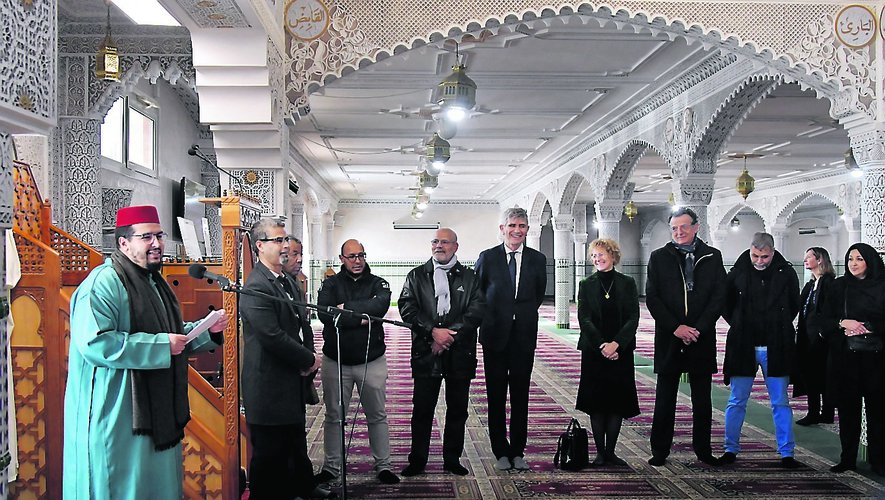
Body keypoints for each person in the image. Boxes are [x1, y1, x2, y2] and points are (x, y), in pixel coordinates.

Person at [63, 205, 228, 498]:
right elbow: (96, 344)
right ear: (123, 242)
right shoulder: (104, 283)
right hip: (116, 411)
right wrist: (162, 345)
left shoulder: (153, 281)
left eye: (159, 236)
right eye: (146, 237)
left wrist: (206, 331)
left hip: (156, 410)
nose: (156, 244)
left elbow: (169, 334)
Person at [239, 219, 332, 499]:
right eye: (277, 240)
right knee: (270, 455)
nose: (284, 246)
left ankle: (302, 487)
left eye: (285, 240)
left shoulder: (287, 280)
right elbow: (272, 336)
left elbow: (301, 325)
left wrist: (308, 358)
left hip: (290, 380)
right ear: (259, 245)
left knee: (294, 441)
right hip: (268, 385)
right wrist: (308, 359)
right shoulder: (256, 285)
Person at [398, 228, 485, 477]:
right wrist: (432, 333)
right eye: (435, 241)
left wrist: (447, 337)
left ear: (455, 247)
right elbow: (407, 308)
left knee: (457, 409)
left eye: (444, 242)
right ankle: (418, 460)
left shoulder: (470, 277)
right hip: (426, 352)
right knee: (422, 409)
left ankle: (452, 459)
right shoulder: (416, 276)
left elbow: (476, 311)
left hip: (460, 353)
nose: (439, 246)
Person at [315, 239, 400, 485]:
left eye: (361, 255)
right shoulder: (330, 284)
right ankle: (331, 467)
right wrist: (363, 317)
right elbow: (324, 314)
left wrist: (345, 310)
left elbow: (380, 307)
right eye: (351, 256)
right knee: (334, 416)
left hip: (371, 360)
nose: (357, 260)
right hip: (336, 360)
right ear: (342, 259)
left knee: (377, 415)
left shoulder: (378, 283)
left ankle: (383, 466)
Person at [646, 207, 726, 467]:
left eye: (684, 227)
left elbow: (718, 297)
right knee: (665, 398)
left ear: (696, 227)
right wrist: (676, 327)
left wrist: (698, 328)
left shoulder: (712, 257)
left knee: (702, 400)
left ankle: (703, 450)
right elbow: (653, 298)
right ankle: (660, 450)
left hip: (701, 337)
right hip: (670, 337)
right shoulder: (659, 257)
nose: (679, 232)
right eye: (674, 228)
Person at [720, 232, 801, 468]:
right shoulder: (738, 272)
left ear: (772, 252)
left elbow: (793, 304)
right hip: (743, 344)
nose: (759, 261)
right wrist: (739, 323)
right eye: (755, 256)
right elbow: (726, 304)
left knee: (780, 402)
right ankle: (730, 449)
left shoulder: (786, 273)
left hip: (777, 345)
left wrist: (778, 325)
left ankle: (787, 453)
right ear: (750, 251)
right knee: (737, 401)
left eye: (764, 257)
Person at [474, 207, 547, 471]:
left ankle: (517, 450)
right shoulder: (488, 257)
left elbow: (538, 294)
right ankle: (500, 450)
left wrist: (520, 316)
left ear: (527, 229)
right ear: (502, 228)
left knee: (520, 394)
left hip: (523, 336)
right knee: (495, 395)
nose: (517, 230)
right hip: (494, 335)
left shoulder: (537, 259)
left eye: (522, 226)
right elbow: (478, 293)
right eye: (513, 225)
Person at [820, 243, 885, 475]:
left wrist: (869, 327)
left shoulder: (882, 286)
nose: (853, 264)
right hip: (846, 359)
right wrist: (842, 323)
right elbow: (823, 321)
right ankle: (847, 458)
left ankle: (879, 460)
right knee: (848, 411)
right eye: (850, 259)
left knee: (878, 412)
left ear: (870, 261)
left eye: (859, 259)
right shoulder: (839, 287)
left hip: (877, 360)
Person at [575, 238, 640, 466]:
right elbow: (584, 318)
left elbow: (633, 317)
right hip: (594, 352)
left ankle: (611, 452)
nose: (597, 259)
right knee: (597, 403)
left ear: (612, 255)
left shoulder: (627, 283)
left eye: (601, 254)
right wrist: (602, 345)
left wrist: (617, 344)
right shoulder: (586, 284)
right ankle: (600, 453)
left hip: (621, 352)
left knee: (616, 402)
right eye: (594, 256)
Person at [793, 247, 836, 426]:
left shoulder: (829, 283)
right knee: (811, 375)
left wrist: (822, 332)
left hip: (821, 339)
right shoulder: (811, 284)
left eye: (808, 257)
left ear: (819, 260)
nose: (805, 260)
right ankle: (815, 411)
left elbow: (829, 311)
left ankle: (824, 412)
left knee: (822, 375)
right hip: (808, 337)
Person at [283, 235, 308, 302]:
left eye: (301, 254)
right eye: (294, 254)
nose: (300, 259)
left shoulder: (300, 282)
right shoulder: (277, 284)